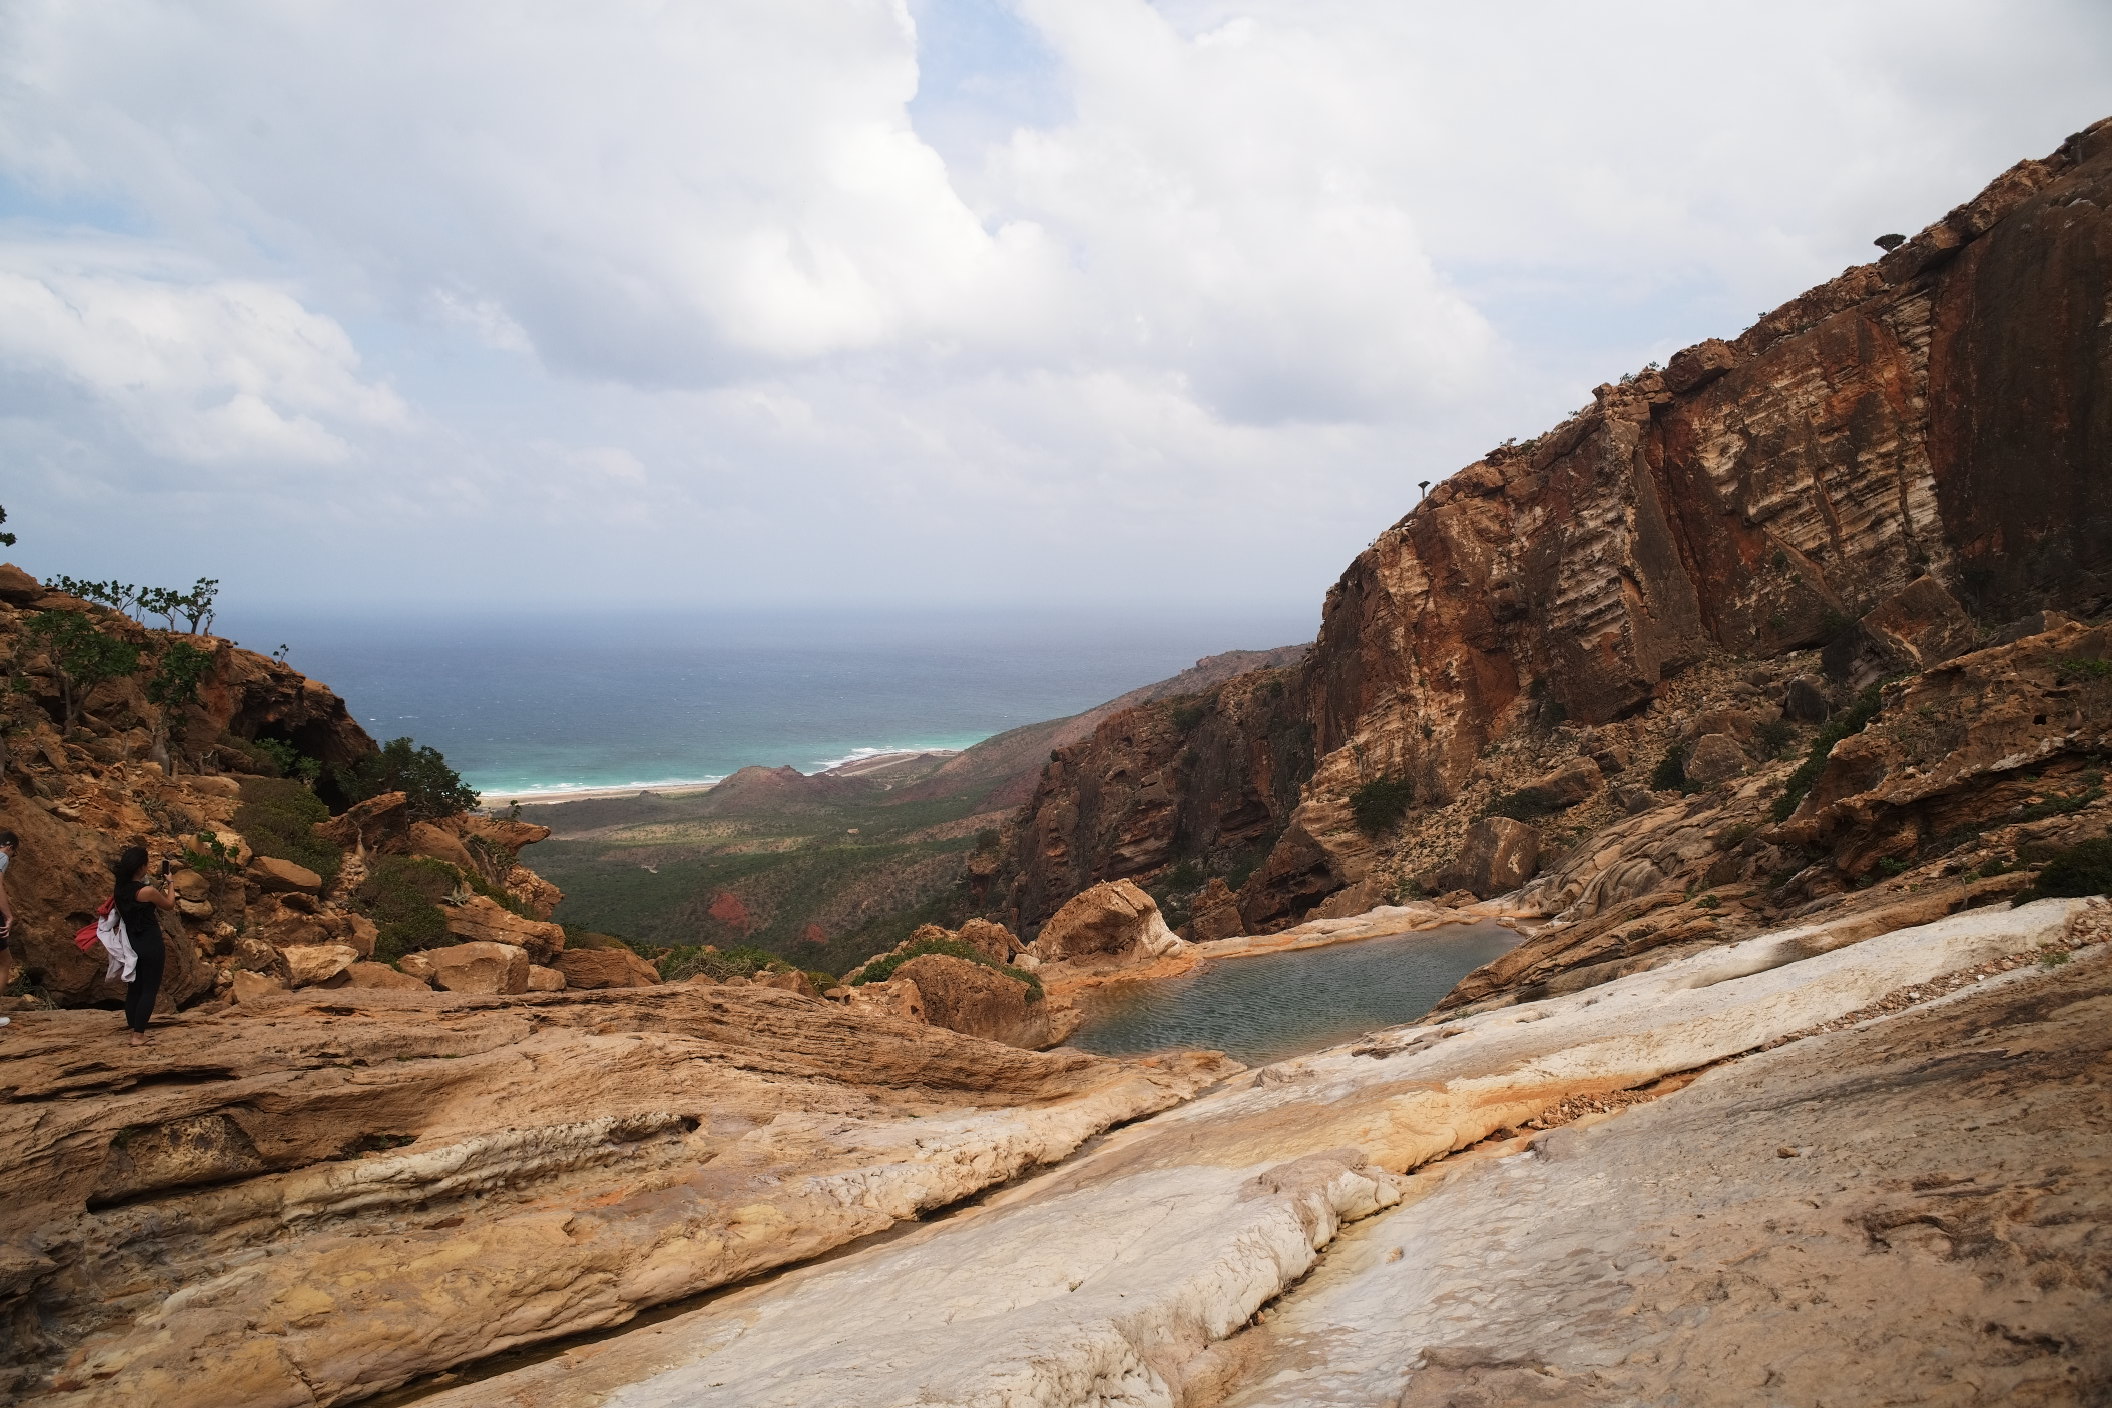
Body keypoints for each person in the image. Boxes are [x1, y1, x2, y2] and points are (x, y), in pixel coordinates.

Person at [111, 845, 176, 1047]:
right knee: (149, 988)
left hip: (131, 942)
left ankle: (133, 1026)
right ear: (141, 867)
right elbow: (169, 904)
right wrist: (170, 882)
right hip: (150, 941)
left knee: (135, 987)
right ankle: (138, 1036)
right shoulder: (147, 891)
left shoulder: (119, 890)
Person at [0, 830, 16, 1030]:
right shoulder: (2, 856)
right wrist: (8, 915)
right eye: (14, 853)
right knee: (4, 962)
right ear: (10, 847)